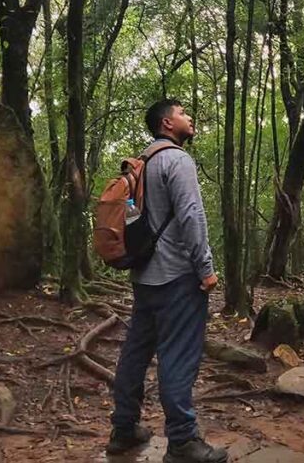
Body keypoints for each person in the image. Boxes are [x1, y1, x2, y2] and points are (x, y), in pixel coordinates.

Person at [107, 99, 227, 463]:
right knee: (178, 355)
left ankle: (123, 430)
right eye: (182, 112)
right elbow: (192, 216)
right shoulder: (177, 160)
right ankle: (182, 441)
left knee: (136, 353)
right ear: (166, 123)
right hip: (177, 278)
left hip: (145, 278)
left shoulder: (140, 164)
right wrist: (205, 268)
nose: (189, 117)